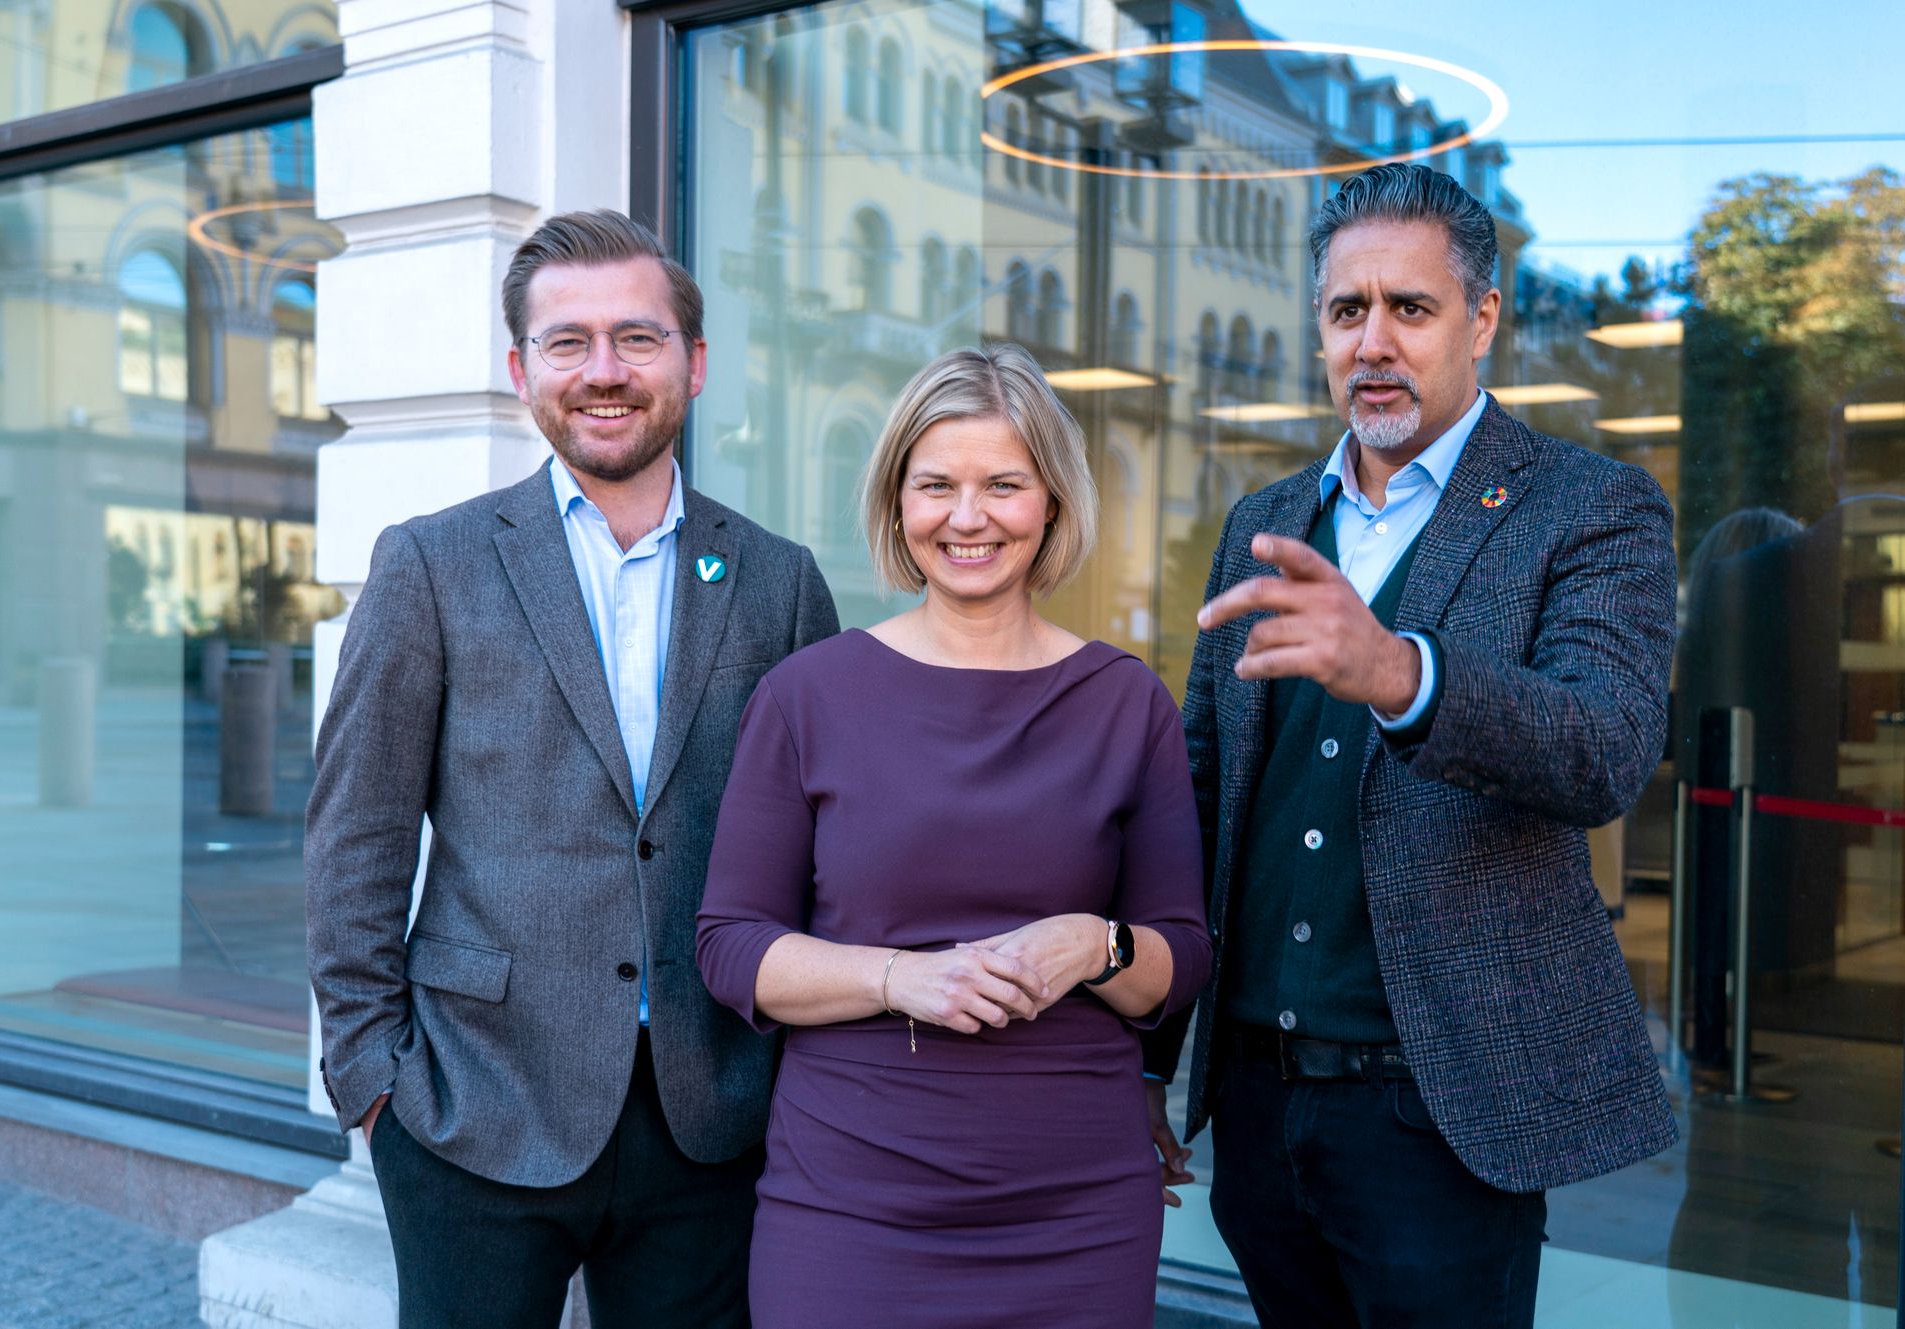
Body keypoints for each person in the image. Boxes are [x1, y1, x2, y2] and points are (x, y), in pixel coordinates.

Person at [1143, 163, 1680, 1329]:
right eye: (1347, 312)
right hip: (1254, 1096)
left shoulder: (1587, 507)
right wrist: (1149, 1059)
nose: (1372, 343)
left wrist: (1397, 672)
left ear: (1480, 320)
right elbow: (1203, 795)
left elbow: (1603, 746)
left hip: (1438, 1115)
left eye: (1410, 308)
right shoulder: (1266, 521)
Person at [306, 209, 838, 1329]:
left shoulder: (780, 583)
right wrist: (371, 1082)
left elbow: (821, 851)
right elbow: (357, 829)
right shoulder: (430, 563)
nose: (604, 372)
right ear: (520, 371)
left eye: (637, 339)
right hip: (471, 1105)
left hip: (713, 1115)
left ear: (693, 365)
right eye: (567, 343)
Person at [696, 343, 1212, 1329]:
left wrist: (1090, 944)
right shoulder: (808, 696)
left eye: (1003, 485)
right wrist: (898, 977)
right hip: (848, 1202)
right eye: (935, 485)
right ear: (896, 504)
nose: (967, 517)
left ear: (1051, 504)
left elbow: (1176, 962)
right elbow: (729, 946)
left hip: (1077, 1207)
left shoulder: (1125, 703)